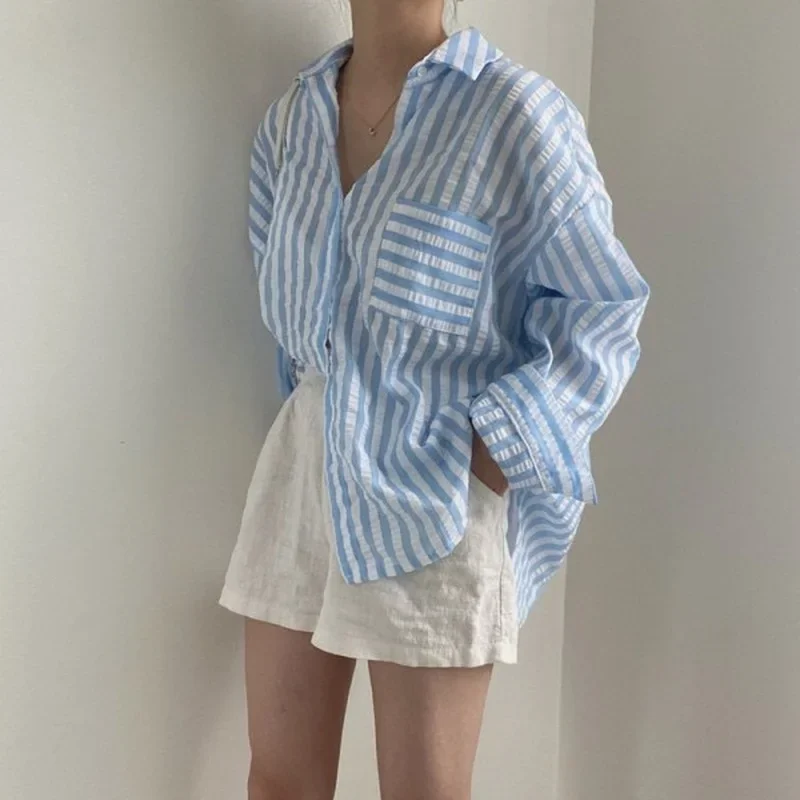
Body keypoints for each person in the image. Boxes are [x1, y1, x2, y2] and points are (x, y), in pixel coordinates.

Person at [220, 1, 649, 797]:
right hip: (300, 476)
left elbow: (602, 310)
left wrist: (496, 448)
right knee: (278, 782)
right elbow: (293, 324)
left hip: (436, 490)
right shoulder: (292, 122)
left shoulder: (514, 112)